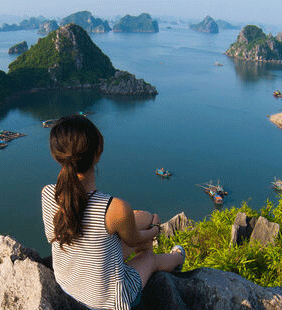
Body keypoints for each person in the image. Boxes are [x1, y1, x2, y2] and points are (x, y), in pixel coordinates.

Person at [41, 115, 186, 310]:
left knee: (139, 218)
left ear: (56, 154)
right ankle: (178, 257)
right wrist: (156, 229)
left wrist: (147, 224)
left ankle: (149, 234)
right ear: (97, 153)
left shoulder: (49, 193)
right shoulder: (113, 208)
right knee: (150, 258)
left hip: (67, 283)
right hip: (108, 301)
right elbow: (134, 240)